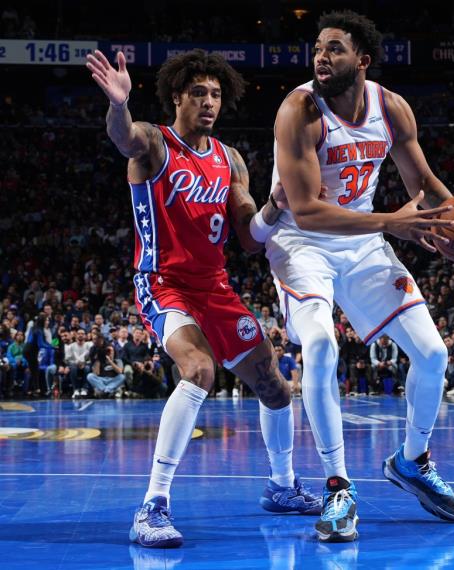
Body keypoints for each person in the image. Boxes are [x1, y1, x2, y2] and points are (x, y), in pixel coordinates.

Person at [86, 47, 320, 548]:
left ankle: (281, 486)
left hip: (215, 287)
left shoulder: (230, 160)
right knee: (198, 370)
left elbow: (249, 236)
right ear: (178, 97)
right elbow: (122, 136)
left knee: (276, 387)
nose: (209, 103)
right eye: (198, 93)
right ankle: (152, 506)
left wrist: (277, 207)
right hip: (163, 283)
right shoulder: (154, 141)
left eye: (215, 94)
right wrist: (118, 104)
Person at [266, 10, 454, 542]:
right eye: (317, 47)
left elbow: (423, 182)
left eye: (334, 48)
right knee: (320, 346)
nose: (320, 57)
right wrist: (391, 223)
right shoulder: (299, 110)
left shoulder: (392, 108)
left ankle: (412, 460)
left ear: (363, 59)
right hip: (302, 243)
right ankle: (338, 485)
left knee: (432, 353)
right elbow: (308, 210)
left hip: (362, 244)